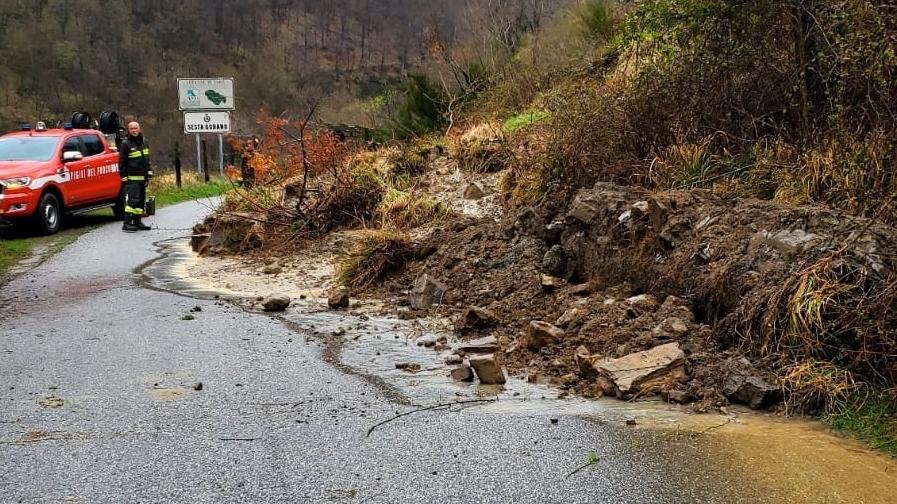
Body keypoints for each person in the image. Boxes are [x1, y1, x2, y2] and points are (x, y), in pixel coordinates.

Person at [118, 121, 153, 232]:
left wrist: (149, 175)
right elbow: (121, 163)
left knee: (141, 201)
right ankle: (127, 223)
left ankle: (137, 222)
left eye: (136, 128)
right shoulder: (125, 144)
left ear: (139, 128)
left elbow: (147, 160)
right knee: (132, 201)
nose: (134, 130)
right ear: (128, 130)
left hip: (142, 178)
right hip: (132, 179)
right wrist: (124, 178)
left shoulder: (144, 142)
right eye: (131, 128)